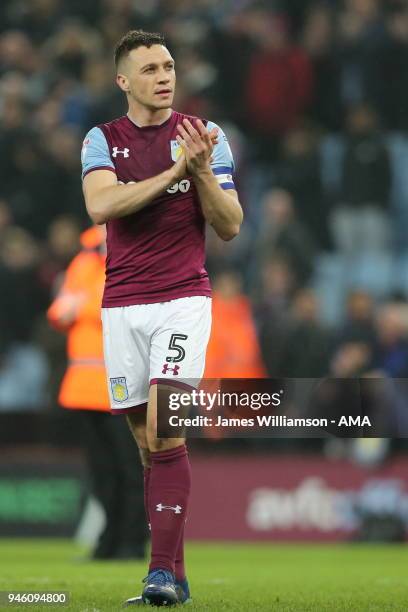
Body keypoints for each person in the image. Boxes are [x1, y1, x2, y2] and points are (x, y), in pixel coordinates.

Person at [81, 29, 243, 606]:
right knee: (146, 444)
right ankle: (175, 572)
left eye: (169, 65)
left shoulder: (206, 138)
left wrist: (198, 170)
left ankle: (157, 572)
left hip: (182, 296)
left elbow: (228, 224)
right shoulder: (102, 140)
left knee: (165, 426)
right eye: (149, 68)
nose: (164, 76)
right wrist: (174, 175)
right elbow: (102, 204)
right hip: (122, 302)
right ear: (124, 80)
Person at [47, 225, 147, 560]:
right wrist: (91, 305)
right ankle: (110, 541)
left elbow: (123, 311)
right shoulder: (84, 260)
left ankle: (132, 543)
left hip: (122, 383)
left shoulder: (137, 254)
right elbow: (59, 312)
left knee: (130, 469)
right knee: (103, 472)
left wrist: (83, 305)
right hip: (83, 388)